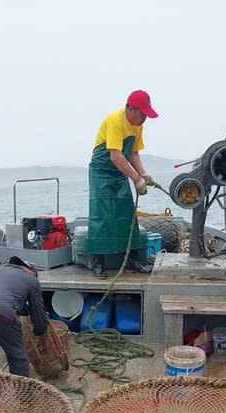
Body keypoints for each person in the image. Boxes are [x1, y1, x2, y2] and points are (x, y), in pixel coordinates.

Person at [86, 89, 158, 279]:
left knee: (127, 215)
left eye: (146, 115)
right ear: (131, 109)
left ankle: (133, 261)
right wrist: (136, 179)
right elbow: (116, 156)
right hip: (101, 172)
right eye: (142, 114)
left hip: (119, 172)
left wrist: (143, 174)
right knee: (101, 216)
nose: (144, 118)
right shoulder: (115, 120)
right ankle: (98, 263)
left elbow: (133, 153)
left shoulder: (137, 125)